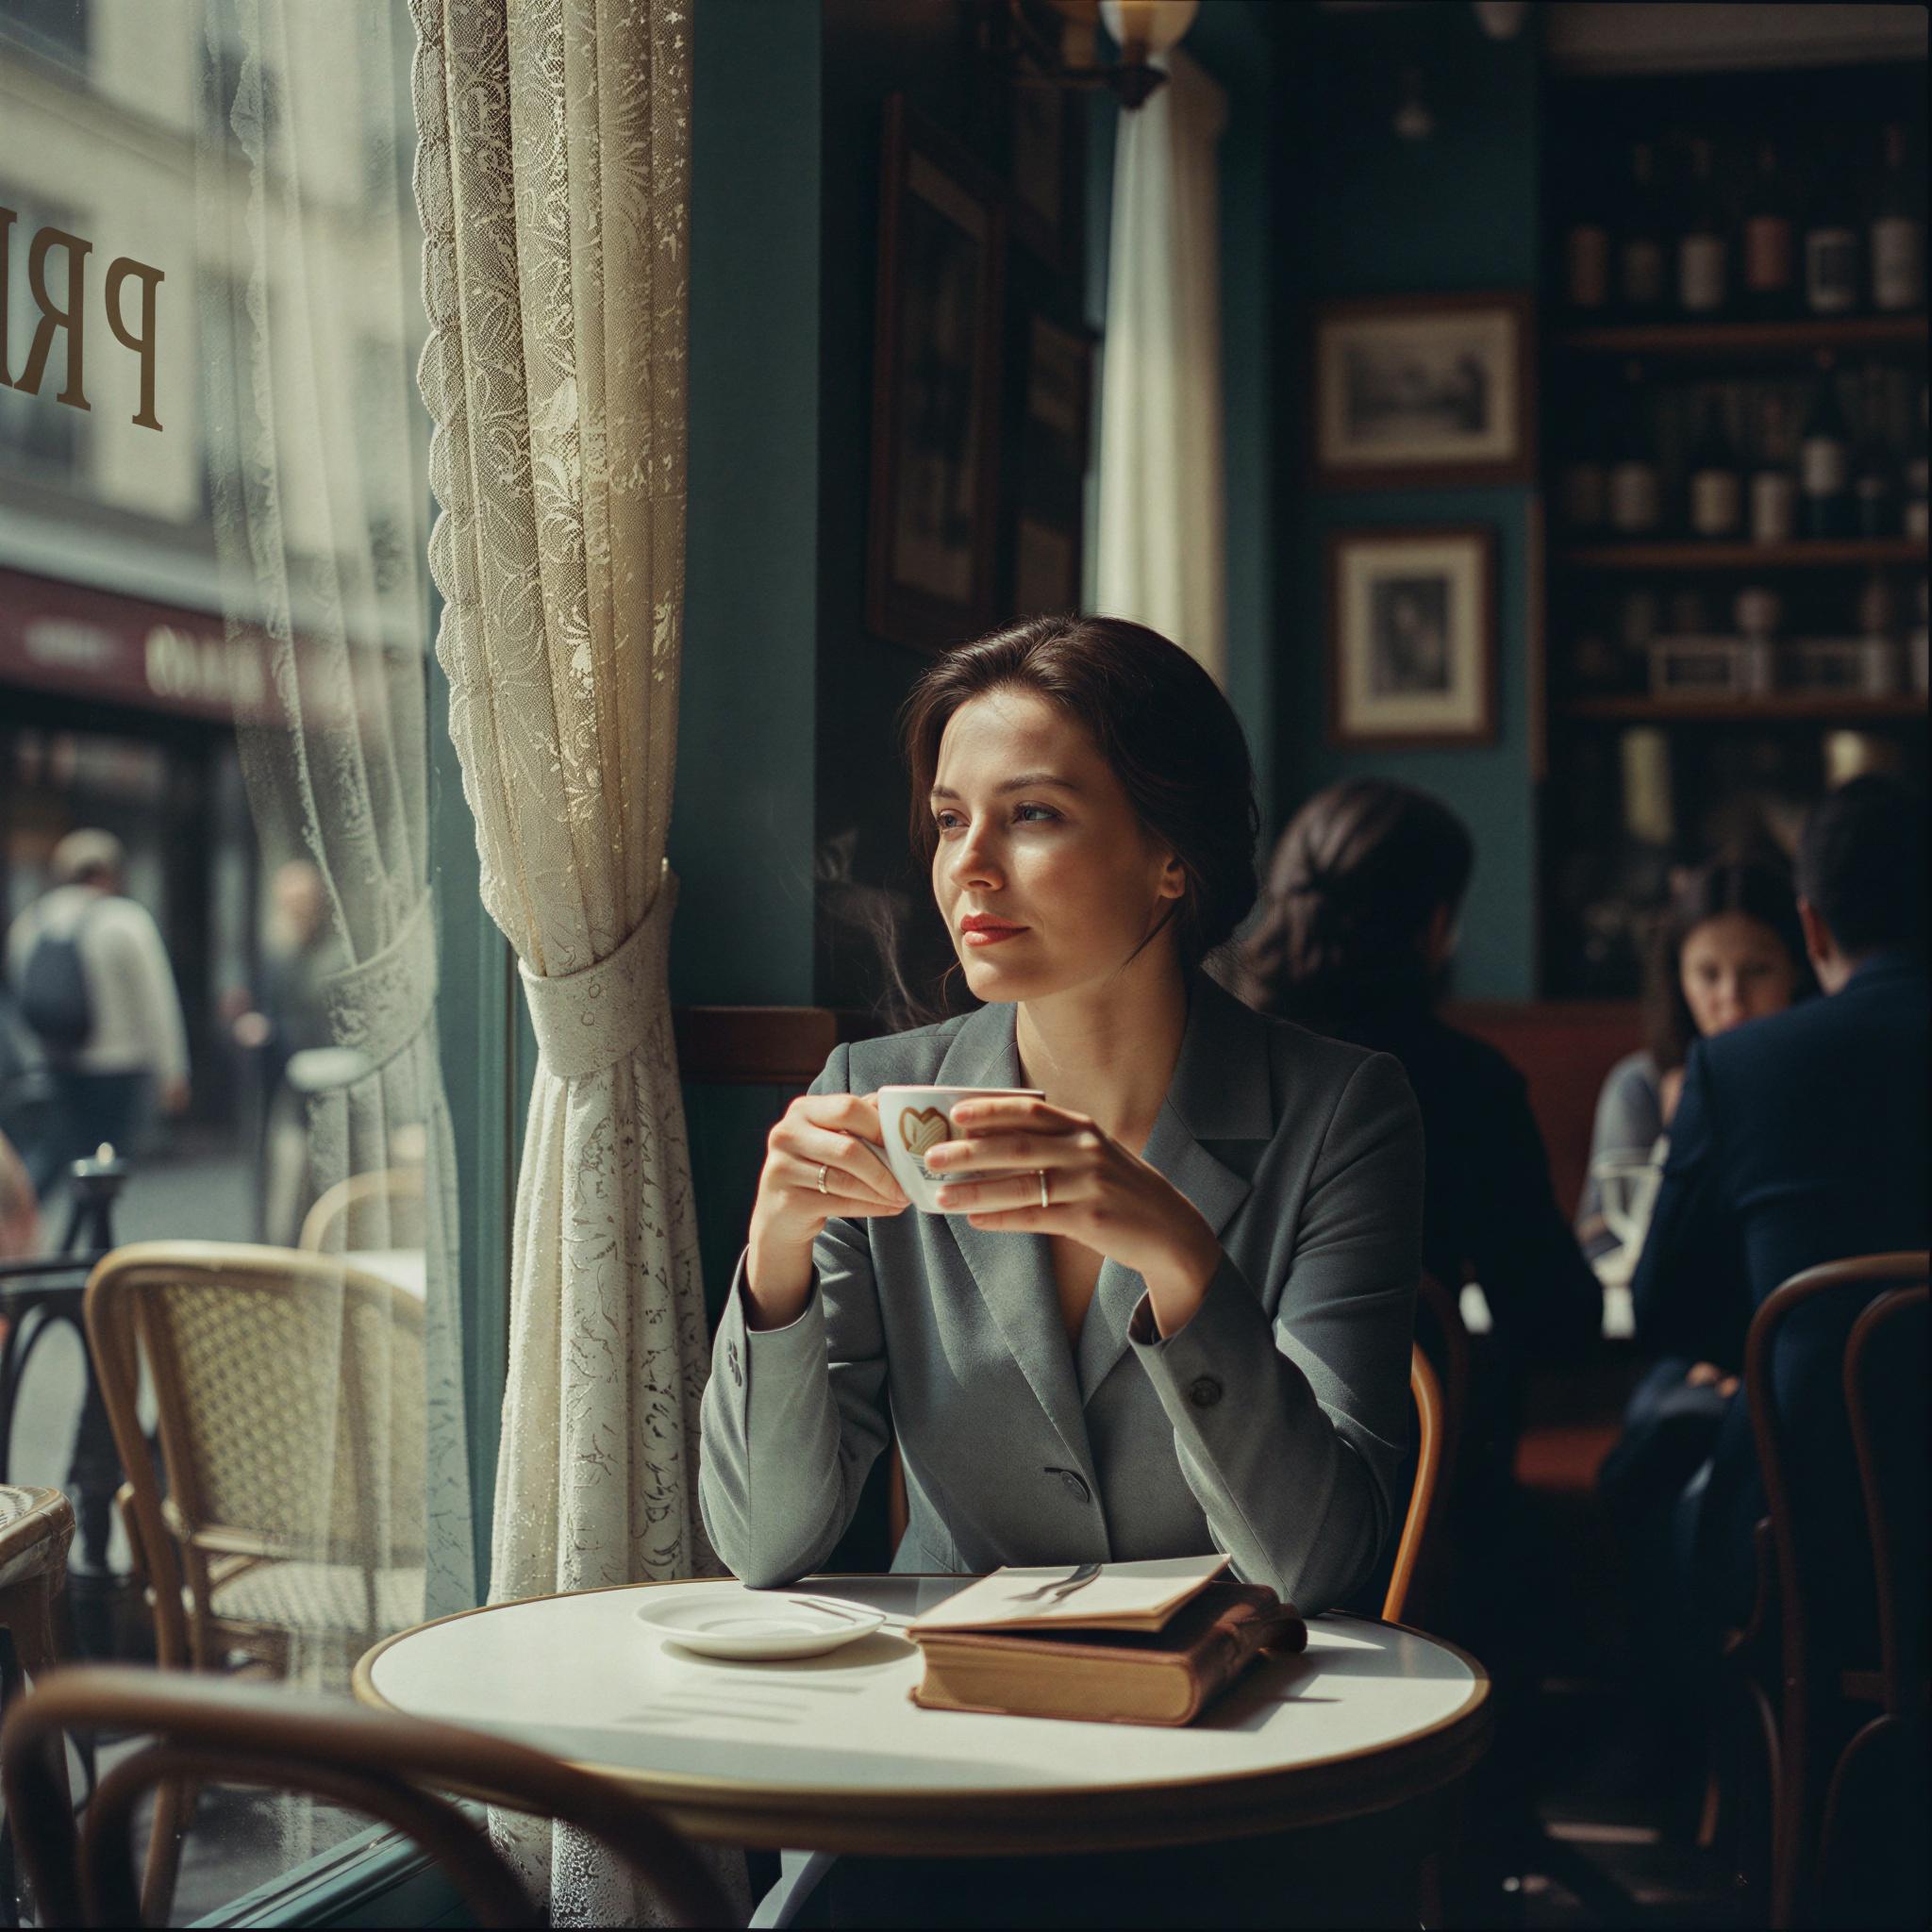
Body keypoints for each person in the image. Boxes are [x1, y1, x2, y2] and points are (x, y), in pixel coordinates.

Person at [701, 615, 1424, 1927]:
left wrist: (1177, 1252)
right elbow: (763, 1544)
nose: (969, 866)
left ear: (1170, 858)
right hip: (934, 1775)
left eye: (1030, 814)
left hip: (1225, 1788)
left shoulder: (1341, 1113)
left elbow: (1319, 1564)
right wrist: (776, 1262)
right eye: (946, 819)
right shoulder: (874, 1099)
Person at [1619, 774, 1927, 1790]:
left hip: (1814, 1540)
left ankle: (1733, 1819)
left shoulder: (1742, 1066)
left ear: (1809, 925)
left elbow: (1663, 1306)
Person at [1237, 778, 1601, 1403]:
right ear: (1435, 926)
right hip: (1412, 1458)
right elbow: (1554, 1318)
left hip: (1195, 1430)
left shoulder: (1207, 1052)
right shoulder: (1467, 1083)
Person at [1577, 857, 1809, 1258]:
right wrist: (1678, 1145)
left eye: (1757, 971)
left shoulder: (1821, 1076)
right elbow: (1599, 1240)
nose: (1731, 999)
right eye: (1708, 974)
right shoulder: (1643, 1086)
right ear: (1678, 979)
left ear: (1798, 970)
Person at [6, 830, 190, 1196]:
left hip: (57, 1060)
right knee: (106, 1161)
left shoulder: (33, 921)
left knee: (65, 1155)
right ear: (110, 871)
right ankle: (93, 1237)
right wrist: (174, 1071)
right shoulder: (125, 920)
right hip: (117, 1064)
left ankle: (40, 1225)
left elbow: (21, 991)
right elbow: (156, 1001)